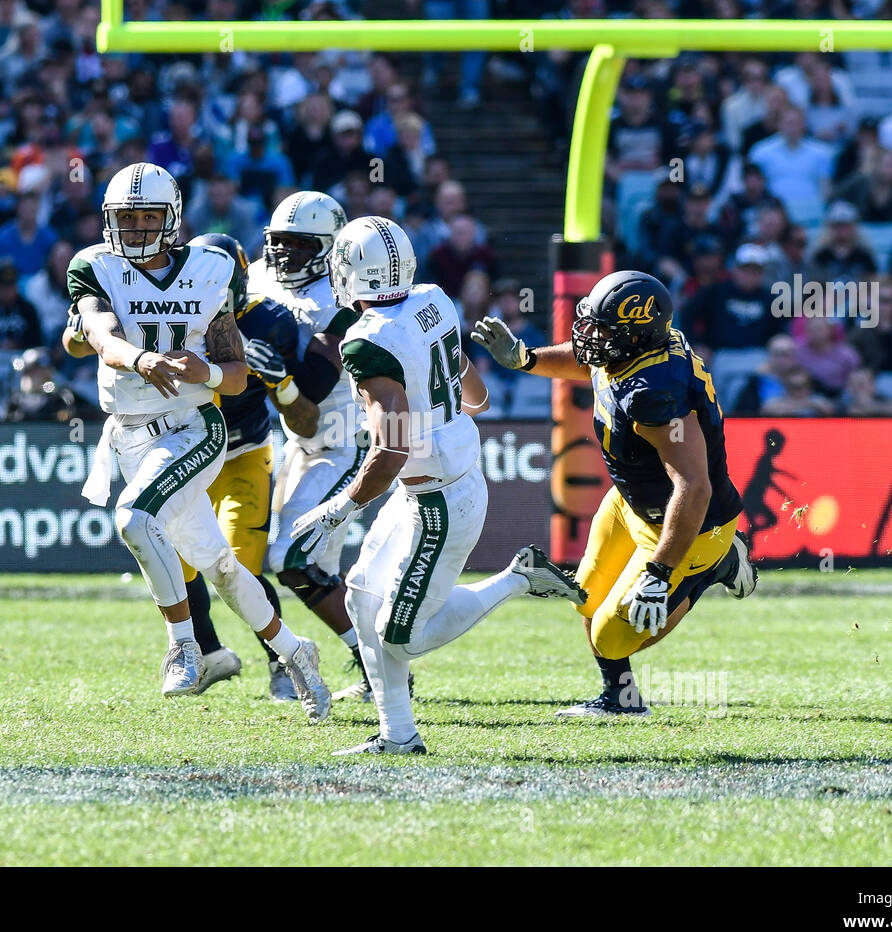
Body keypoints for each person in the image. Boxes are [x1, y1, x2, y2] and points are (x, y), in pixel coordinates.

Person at [296, 216, 584, 755]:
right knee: (360, 597)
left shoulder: (366, 341)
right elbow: (468, 386)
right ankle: (397, 735)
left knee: (402, 633)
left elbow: (392, 446)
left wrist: (340, 508)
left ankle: (518, 580)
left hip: (439, 501)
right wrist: (462, 400)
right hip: (427, 486)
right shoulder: (431, 299)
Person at [60, 162, 330, 717]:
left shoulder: (210, 269)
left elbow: (233, 375)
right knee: (224, 569)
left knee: (133, 518)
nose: (134, 230)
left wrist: (198, 371)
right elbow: (102, 335)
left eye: (147, 217)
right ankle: (295, 652)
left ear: (174, 218)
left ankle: (184, 647)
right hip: (129, 434)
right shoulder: (95, 266)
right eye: (125, 219)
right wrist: (139, 357)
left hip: (192, 428)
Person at [473, 270, 757, 718]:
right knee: (585, 596)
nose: (589, 337)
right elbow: (589, 360)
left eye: (603, 330)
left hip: (689, 524)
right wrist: (525, 358)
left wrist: (660, 574)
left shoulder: (654, 393)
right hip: (632, 503)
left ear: (635, 337)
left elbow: (694, 486)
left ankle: (716, 566)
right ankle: (620, 700)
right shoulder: (632, 348)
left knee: (613, 635)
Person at [173, 232, 337, 696]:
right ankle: (209, 655)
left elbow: (305, 418)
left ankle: (285, 663)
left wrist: (280, 381)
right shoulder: (173, 316)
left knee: (237, 570)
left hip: (243, 452)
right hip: (188, 455)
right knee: (178, 566)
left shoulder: (270, 320)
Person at [249, 190, 375, 701]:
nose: (285, 255)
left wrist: (278, 377)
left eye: (300, 245)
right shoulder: (256, 276)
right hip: (294, 443)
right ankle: (302, 665)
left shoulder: (344, 292)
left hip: (343, 444)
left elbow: (317, 384)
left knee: (294, 559)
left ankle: (375, 664)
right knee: (271, 560)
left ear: (327, 248)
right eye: (279, 243)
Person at [2, 348, 77, 422]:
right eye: (28, 372)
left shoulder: (61, 399)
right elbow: (6, 428)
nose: (32, 376)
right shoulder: (15, 401)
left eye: (37, 371)